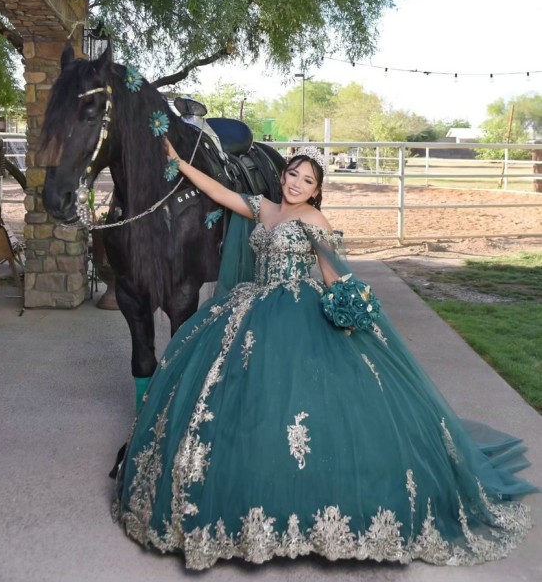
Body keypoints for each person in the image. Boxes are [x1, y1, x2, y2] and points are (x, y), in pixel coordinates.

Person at [113, 145, 537, 571]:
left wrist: (354, 314)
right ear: (282, 176)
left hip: (297, 309)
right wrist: (179, 161)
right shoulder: (263, 208)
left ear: (316, 191)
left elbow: (335, 274)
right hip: (251, 306)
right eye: (292, 174)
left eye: (307, 180)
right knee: (238, 397)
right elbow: (220, 192)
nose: (296, 183)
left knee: (305, 404)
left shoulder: (314, 220)